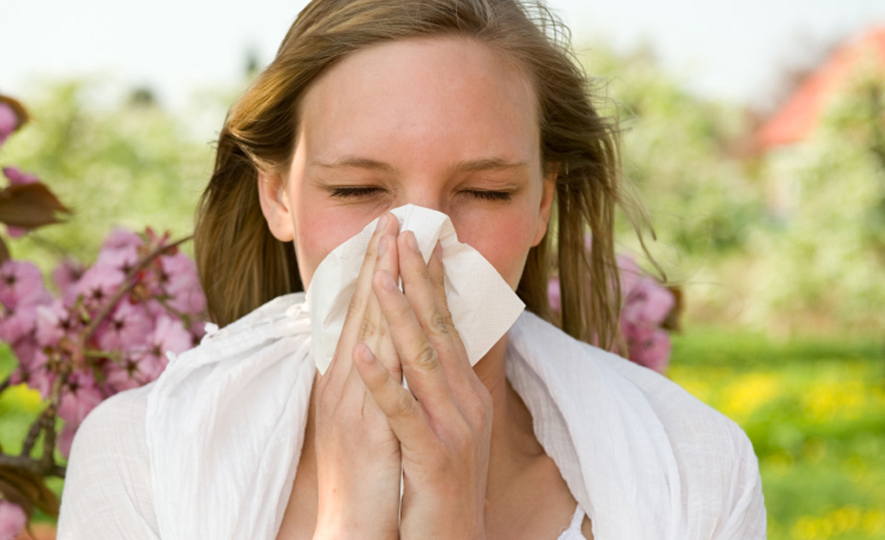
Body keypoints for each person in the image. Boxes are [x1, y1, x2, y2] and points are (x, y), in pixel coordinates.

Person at [57, 1, 766, 539]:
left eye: (485, 192)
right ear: (278, 196)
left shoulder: (694, 470)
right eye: (356, 190)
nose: (420, 247)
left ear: (542, 203)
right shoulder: (144, 461)